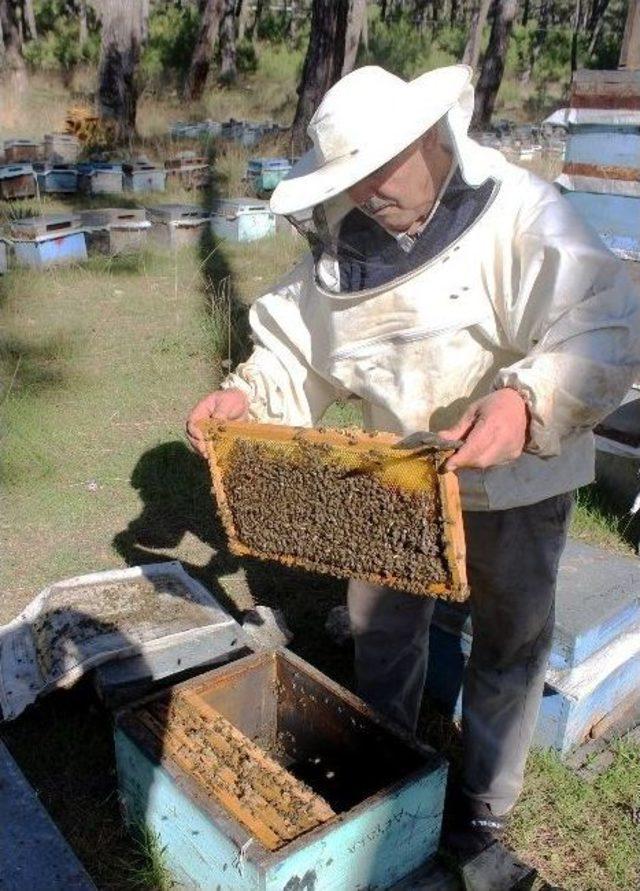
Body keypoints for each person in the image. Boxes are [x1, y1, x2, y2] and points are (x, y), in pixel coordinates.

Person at [186, 65, 640, 859]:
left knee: (508, 642)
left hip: (521, 478)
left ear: (434, 139)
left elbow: (605, 321)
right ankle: (385, 771)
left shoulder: (523, 215)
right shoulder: (342, 256)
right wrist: (247, 401)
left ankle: (483, 806)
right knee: (382, 632)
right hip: (396, 487)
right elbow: (296, 357)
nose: (364, 194)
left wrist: (527, 403)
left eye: (377, 171)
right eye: (349, 180)